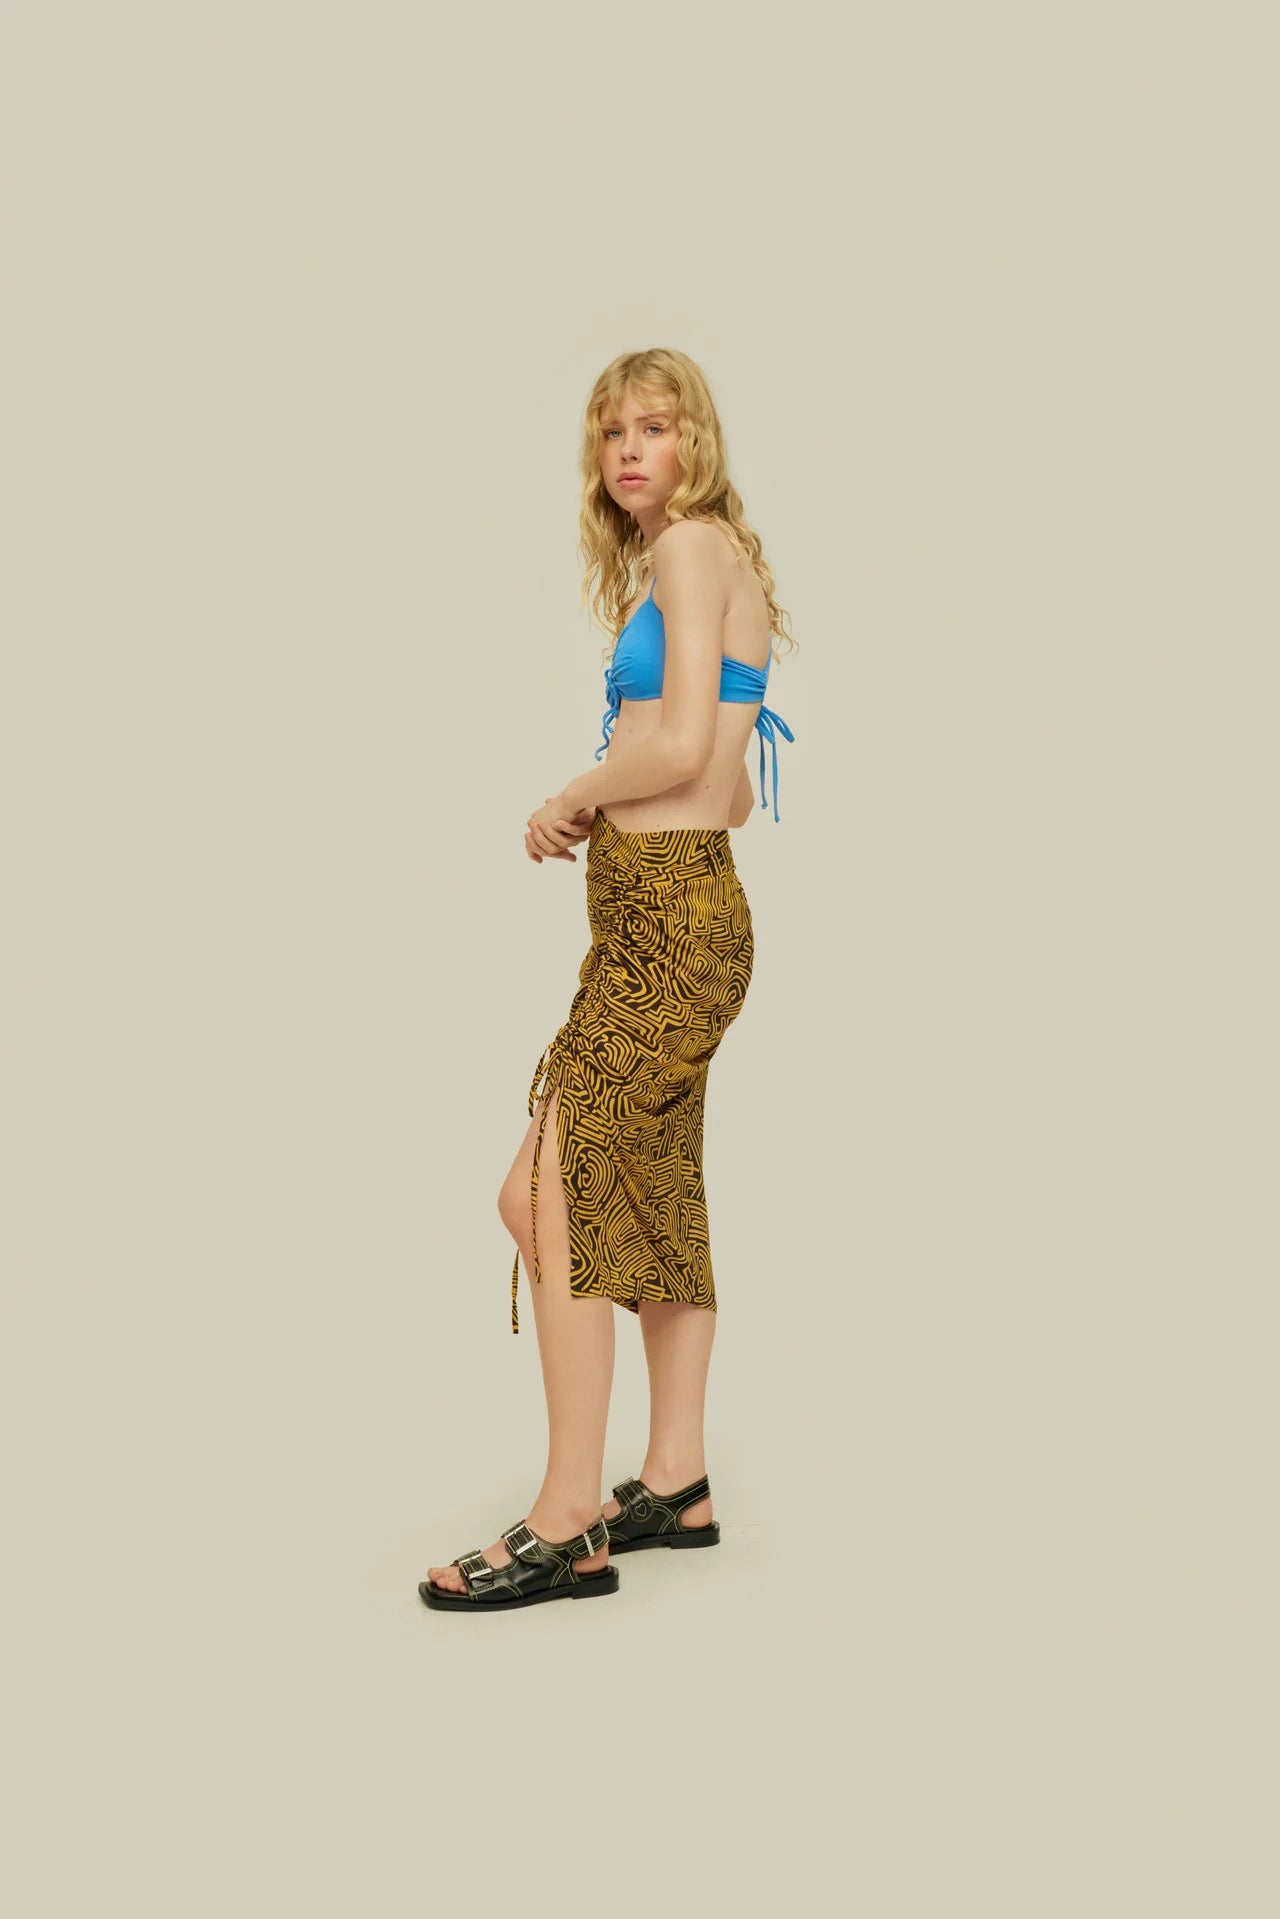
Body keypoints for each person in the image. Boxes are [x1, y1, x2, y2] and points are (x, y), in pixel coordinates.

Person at [420, 347, 797, 1611]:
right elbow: (729, 789)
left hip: (669, 923)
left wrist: (574, 793)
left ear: (697, 441)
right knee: (646, 1181)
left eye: (655, 426)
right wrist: (635, 801)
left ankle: (565, 1513)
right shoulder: (712, 558)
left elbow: (681, 746)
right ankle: (676, 1476)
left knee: (548, 1192)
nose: (629, 450)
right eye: (610, 431)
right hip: (675, 910)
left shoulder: (687, 548)